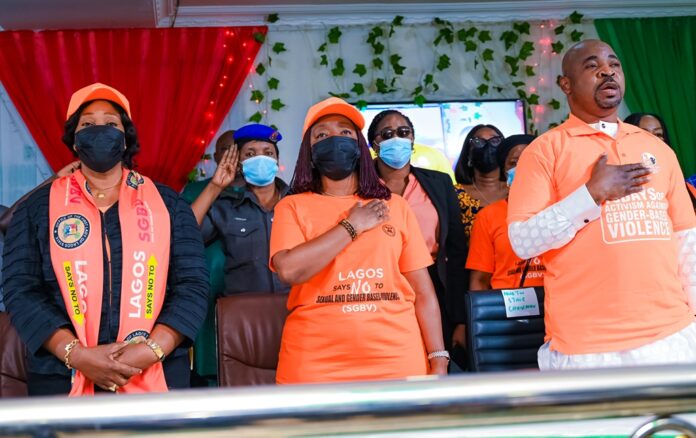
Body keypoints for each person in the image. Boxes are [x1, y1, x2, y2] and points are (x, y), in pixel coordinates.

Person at [3, 82, 209, 395]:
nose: (100, 130)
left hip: (158, 374)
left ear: (125, 139)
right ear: (75, 141)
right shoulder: (37, 208)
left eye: (111, 123)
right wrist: (77, 354)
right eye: (88, 124)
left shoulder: (169, 204)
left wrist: (149, 351)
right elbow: (21, 290)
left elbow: (192, 285)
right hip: (62, 376)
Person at [507, 40, 696, 370]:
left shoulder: (658, 149)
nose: (607, 71)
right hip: (585, 347)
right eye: (592, 66)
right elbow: (523, 242)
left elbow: (687, 244)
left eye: (614, 64)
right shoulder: (543, 151)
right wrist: (590, 195)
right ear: (566, 84)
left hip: (671, 337)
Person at [270, 97, 448, 383]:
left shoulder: (396, 207)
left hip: (397, 358)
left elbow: (423, 293)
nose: (335, 139)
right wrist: (352, 226)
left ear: (360, 147)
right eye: (322, 135)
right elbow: (290, 270)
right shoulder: (291, 207)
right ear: (310, 152)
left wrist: (438, 356)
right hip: (315, 361)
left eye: (345, 132)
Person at [366, 109, 468, 355]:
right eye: (387, 134)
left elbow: (456, 251)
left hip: (433, 280)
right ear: (374, 144)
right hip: (380, 282)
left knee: (435, 354)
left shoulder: (439, 182)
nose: (397, 139)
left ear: (412, 139)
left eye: (403, 132)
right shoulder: (360, 187)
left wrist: (460, 318)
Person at [191, 123, 290, 295]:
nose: (260, 159)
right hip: (243, 313)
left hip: (294, 310)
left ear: (277, 161)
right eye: (250, 154)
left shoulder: (297, 202)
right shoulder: (226, 207)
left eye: (268, 153)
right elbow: (185, 233)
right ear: (240, 164)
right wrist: (215, 186)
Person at [180, 129, 237, 386]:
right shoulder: (196, 190)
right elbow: (184, 233)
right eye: (227, 149)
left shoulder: (266, 190)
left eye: (239, 149)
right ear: (215, 156)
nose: (233, 155)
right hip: (210, 283)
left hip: (250, 283)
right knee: (210, 349)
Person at [467, 134, 546, 290]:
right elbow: (480, 279)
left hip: (556, 304)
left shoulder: (562, 208)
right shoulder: (488, 216)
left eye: (529, 159)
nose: (523, 166)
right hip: (510, 308)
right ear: (504, 171)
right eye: (514, 162)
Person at [453, 124, 507, 239]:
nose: (487, 145)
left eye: (495, 140)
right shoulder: (454, 194)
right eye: (478, 141)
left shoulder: (516, 191)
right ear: (468, 153)